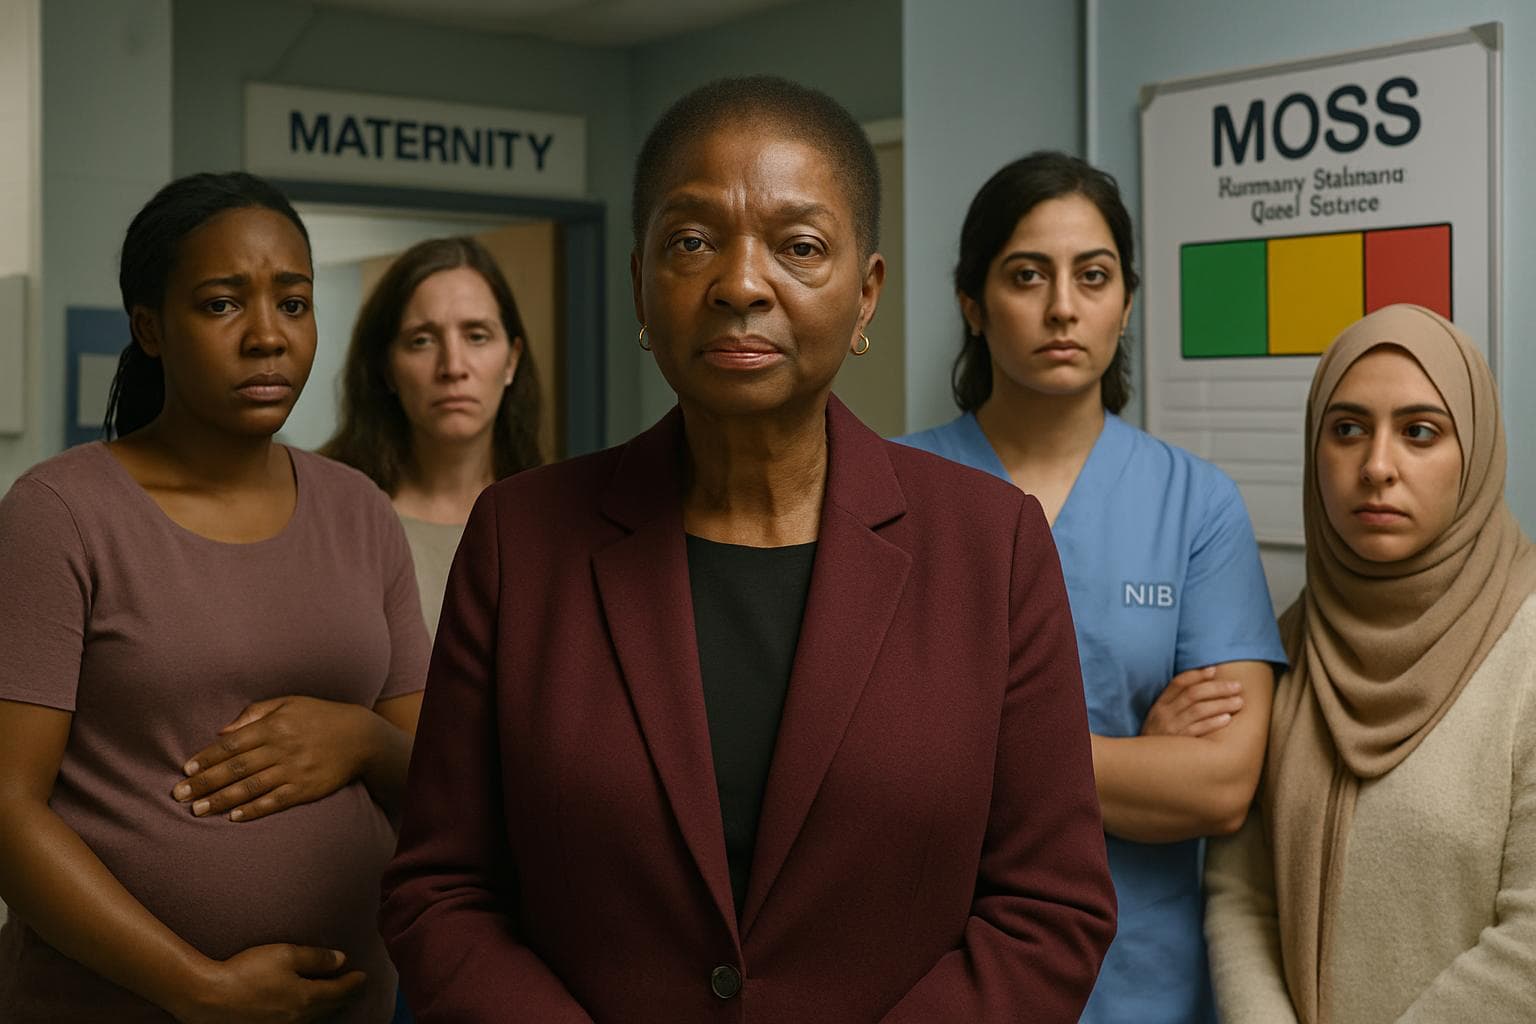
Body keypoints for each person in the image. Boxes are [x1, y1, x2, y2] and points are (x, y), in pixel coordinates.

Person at [381, 76, 1116, 1022]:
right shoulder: (522, 542)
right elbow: (440, 890)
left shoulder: (991, 544)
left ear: (866, 294)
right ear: (641, 280)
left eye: (799, 246)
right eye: (691, 242)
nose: (739, 283)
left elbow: (1051, 908)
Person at [0, 172, 430, 1023]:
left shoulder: (360, 513)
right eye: (223, 305)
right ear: (151, 329)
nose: (268, 337)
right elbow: (6, 807)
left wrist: (361, 740)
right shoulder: (61, 514)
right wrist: (198, 987)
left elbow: (437, 781)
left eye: (294, 304)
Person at [898, 151, 1286, 1023]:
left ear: (1127, 301)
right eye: (1026, 274)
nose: (1063, 307)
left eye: (1094, 276)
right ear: (972, 302)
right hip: (929, 971)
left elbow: (1221, 787)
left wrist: (962, 749)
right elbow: (853, 762)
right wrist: (1134, 763)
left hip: (1138, 979)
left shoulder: (1195, 505)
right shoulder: (893, 491)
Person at [1205, 304, 1536, 1023]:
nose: (1377, 467)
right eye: (1348, 429)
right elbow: (1242, 897)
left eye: (1420, 432)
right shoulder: (1288, 645)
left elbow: (1530, 948)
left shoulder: (1529, 651)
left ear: (1473, 454)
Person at [322, 236, 541, 635]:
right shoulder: (330, 513)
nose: (452, 367)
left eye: (476, 336)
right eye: (422, 340)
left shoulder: (555, 517)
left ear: (511, 359)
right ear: (387, 367)